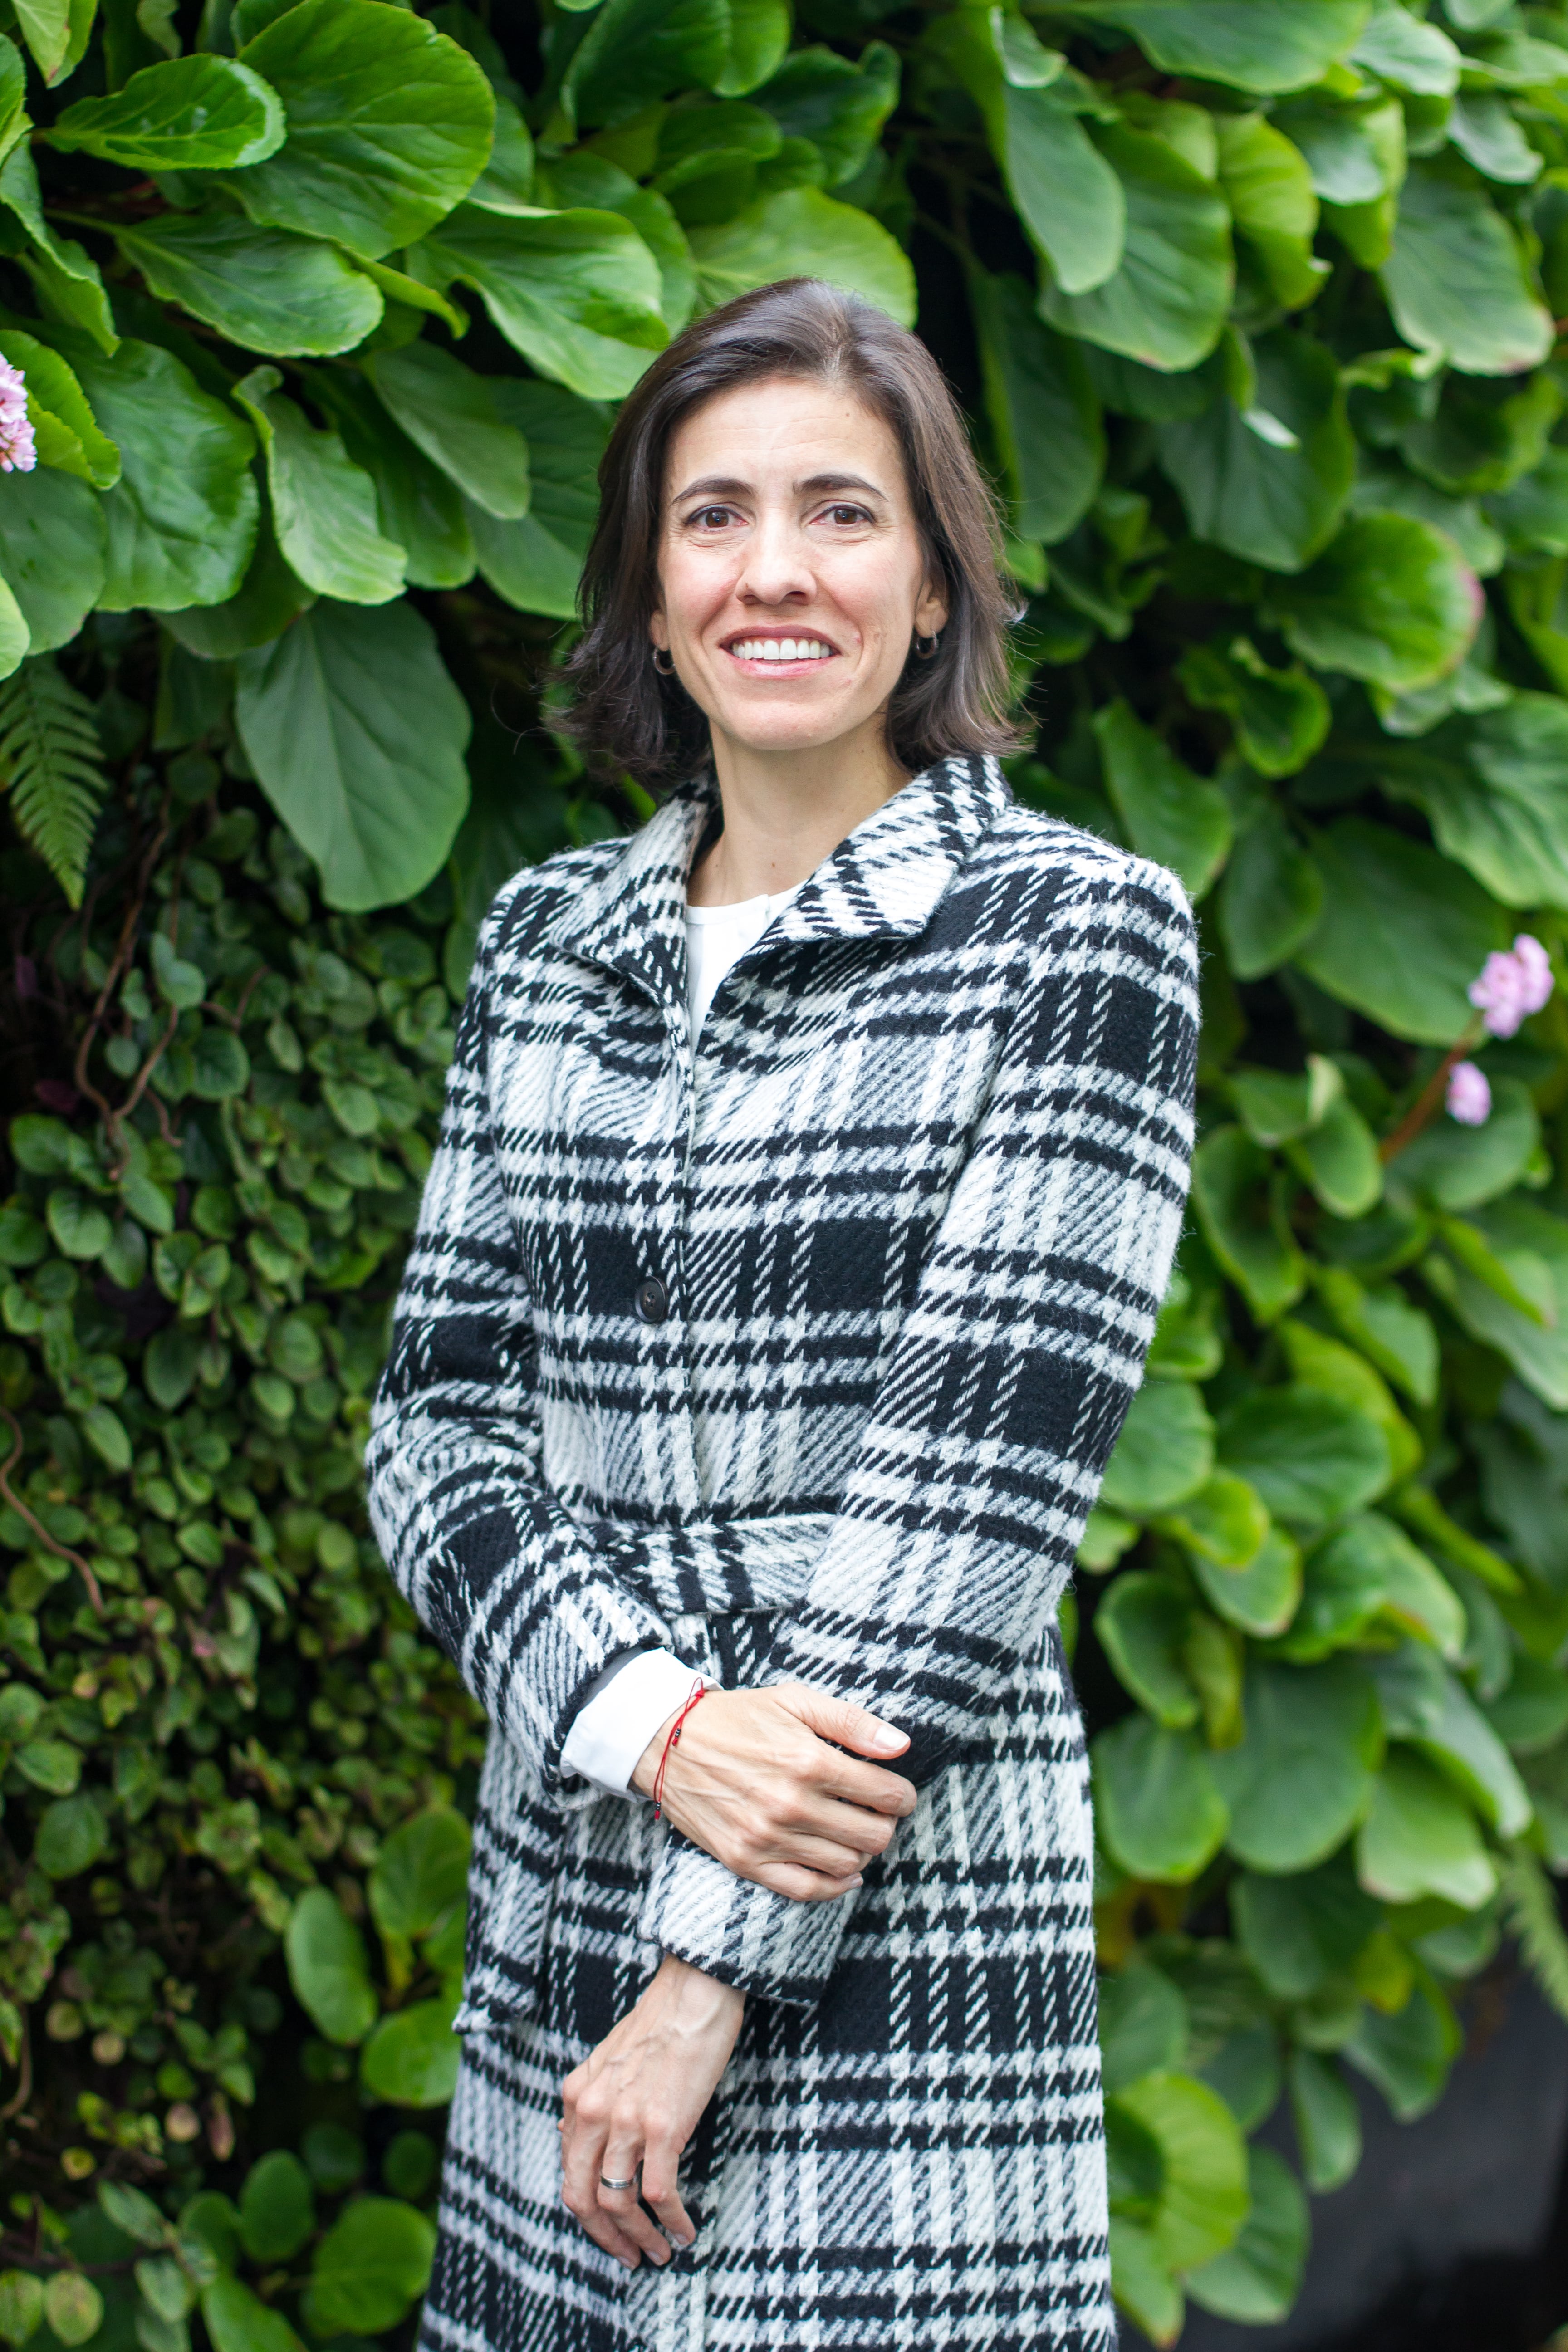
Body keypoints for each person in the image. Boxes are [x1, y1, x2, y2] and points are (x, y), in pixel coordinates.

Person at [366, 276, 1199, 2352]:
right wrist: (656, 1723)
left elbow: (970, 1501)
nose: (775, 572)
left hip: (888, 1926)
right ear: (653, 601)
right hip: (573, 1856)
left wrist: (706, 1974)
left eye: (842, 512)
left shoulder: (1078, 936)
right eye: (713, 516)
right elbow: (435, 1431)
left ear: (936, 586)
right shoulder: (549, 938)